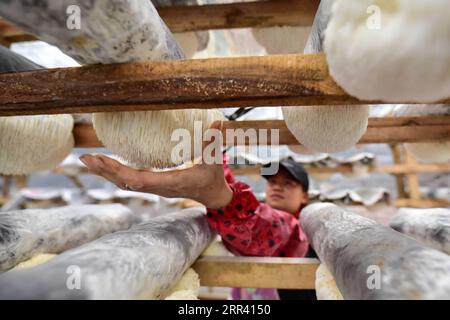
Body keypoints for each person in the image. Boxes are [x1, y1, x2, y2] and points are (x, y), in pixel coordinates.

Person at [79, 121, 315, 299]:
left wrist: (219, 196)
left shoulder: (304, 229)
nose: (277, 187)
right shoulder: (262, 212)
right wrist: (217, 165)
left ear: (305, 196)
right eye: (273, 182)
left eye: (289, 184)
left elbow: (264, 228)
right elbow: (251, 215)